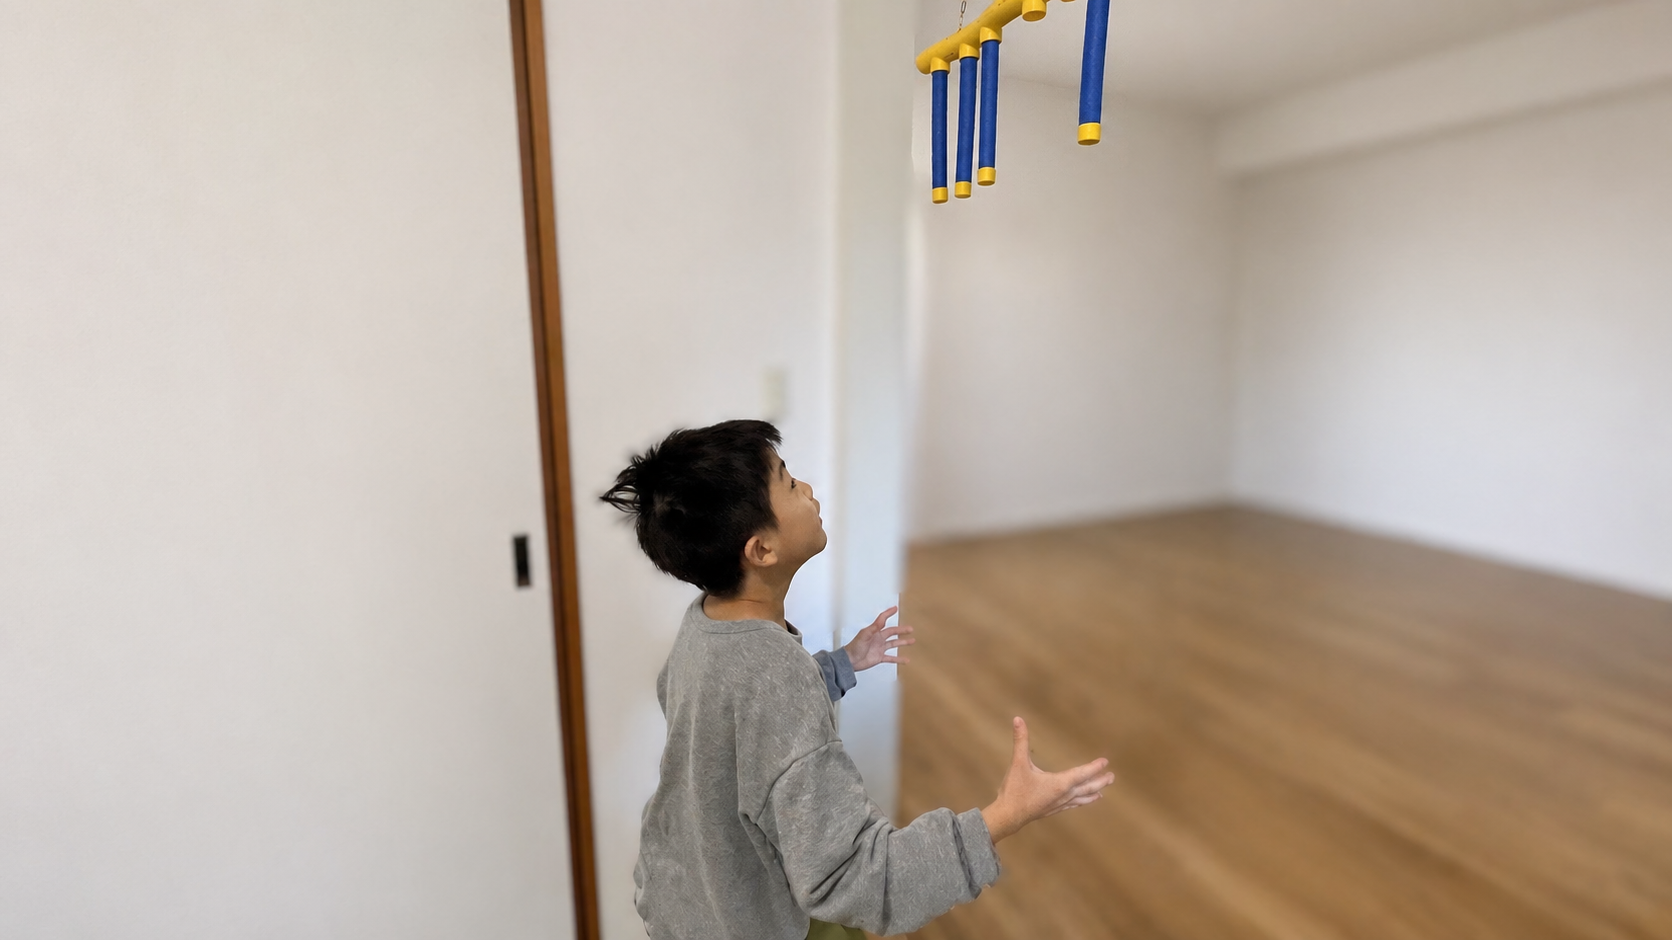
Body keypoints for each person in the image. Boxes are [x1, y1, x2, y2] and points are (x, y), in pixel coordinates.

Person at [602, 420, 1115, 939]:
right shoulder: (774, 675)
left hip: (683, 903)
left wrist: (838, 665)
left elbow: (743, 718)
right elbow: (856, 879)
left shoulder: (705, 625)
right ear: (761, 551)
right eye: (788, 482)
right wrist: (1007, 813)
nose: (807, 489)